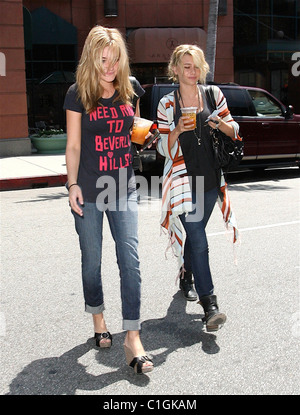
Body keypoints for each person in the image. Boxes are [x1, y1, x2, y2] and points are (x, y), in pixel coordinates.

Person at [63, 25, 153, 374]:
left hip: (123, 186)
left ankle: (133, 335)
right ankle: (98, 317)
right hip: (87, 189)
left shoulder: (130, 89)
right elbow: (73, 145)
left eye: (115, 59)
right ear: (91, 58)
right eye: (103, 60)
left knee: (130, 260)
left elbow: (133, 129)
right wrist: (71, 184)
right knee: (92, 260)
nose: (110, 67)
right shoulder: (78, 94)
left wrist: (142, 137)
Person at [157, 44, 241, 332]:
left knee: (195, 237)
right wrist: (178, 129)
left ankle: (186, 273)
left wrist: (220, 124)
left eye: (196, 66)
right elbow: (162, 149)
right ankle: (210, 305)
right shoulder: (167, 104)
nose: (192, 72)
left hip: (209, 179)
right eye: (186, 66)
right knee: (199, 238)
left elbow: (235, 129)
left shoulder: (213, 95)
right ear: (176, 69)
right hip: (182, 182)